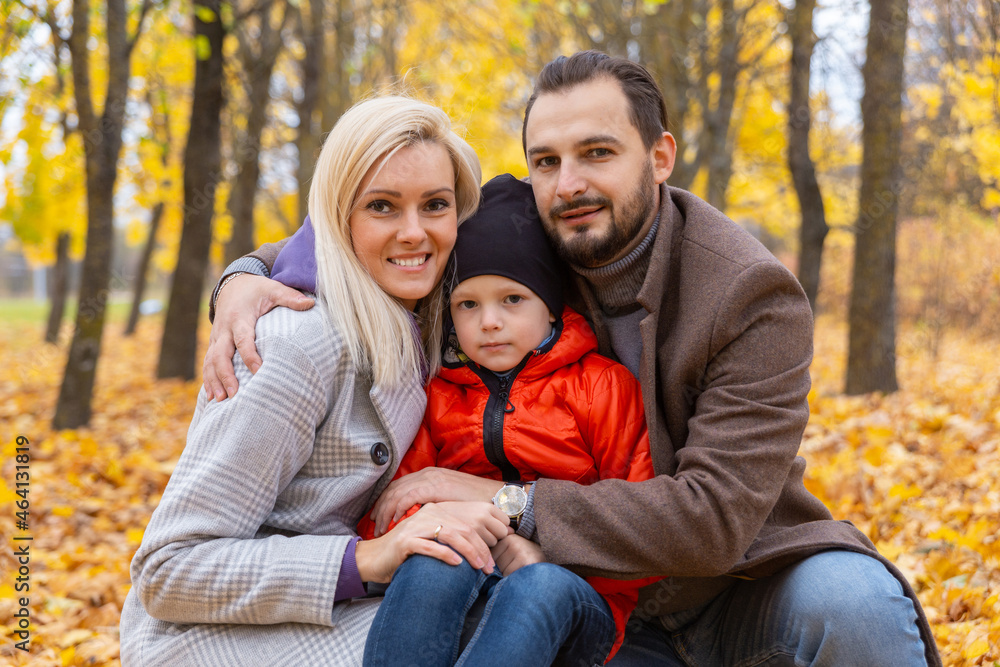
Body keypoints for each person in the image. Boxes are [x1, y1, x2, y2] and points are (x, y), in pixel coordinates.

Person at [205, 52, 940, 665]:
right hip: (566, 593)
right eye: (545, 161)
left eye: (597, 152)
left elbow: (711, 519)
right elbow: (382, 228)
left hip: (734, 585)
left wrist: (501, 500)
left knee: (855, 605)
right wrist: (244, 275)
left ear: (659, 156)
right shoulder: (534, 238)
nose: (569, 183)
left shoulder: (748, 294)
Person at [119, 96, 514, 666]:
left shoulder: (433, 311)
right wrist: (369, 559)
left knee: (524, 617)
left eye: (435, 205)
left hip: (333, 608)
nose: (414, 232)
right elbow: (168, 570)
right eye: (382, 206)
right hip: (214, 638)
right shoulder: (294, 345)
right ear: (337, 215)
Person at [352, 174, 657, 665]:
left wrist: (546, 549)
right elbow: (393, 510)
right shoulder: (439, 393)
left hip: (577, 592)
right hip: (468, 578)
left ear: (551, 309)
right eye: (468, 305)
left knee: (538, 586)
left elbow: (643, 525)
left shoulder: (601, 386)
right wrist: (451, 525)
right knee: (437, 556)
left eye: (512, 299)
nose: (489, 322)